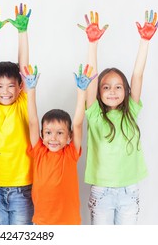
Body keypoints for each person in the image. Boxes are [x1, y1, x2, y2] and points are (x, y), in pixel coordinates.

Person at [78, 10, 158, 225]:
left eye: (118, 87)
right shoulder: (94, 115)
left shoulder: (130, 112)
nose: (112, 91)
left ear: (126, 91)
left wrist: (144, 41)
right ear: (98, 91)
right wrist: (92, 44)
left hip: (129, 192)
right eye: (106, 87)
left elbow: (137, 75)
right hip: (102, 192)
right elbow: (91, 76)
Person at [0, 4, 34, 224]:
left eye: (11, 86)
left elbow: (25, 69)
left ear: (20, 87)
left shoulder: (23, 102)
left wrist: (22, 32)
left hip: (22, 187)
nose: (5, 91)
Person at [24, 63, 96, 225]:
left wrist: (81, 92)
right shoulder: (39, 151)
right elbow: (33, 122)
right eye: (48, 133)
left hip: (68, 223)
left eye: (60, 133)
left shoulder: (70, 153)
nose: (53, 138)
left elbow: (77, 123)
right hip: (42, 223)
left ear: (69, 136)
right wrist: (31, 90)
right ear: (42, 135)